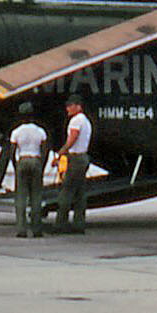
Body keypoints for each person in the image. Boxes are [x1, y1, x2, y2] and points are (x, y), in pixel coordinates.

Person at [8, 103, 50, 238]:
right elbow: (45, 150)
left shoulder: (16, 131)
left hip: (23, 160)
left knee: (21, 197)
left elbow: (12, 152)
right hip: (36, 160)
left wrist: (16, 165)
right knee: (36, 196)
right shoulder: (40, 131)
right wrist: (41, 165)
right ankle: (37, 229)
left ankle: (21, 229)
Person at [52, 97, 92, 234]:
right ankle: (79, 224)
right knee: (80, 193)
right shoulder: (85, 121)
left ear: (78, 106)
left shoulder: (76, 121)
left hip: (75, 158)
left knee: (67, 191)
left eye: (70, 106)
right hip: (83, 157)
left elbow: (72, 138)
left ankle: (61, 224)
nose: (67, 108)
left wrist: (60, 153)